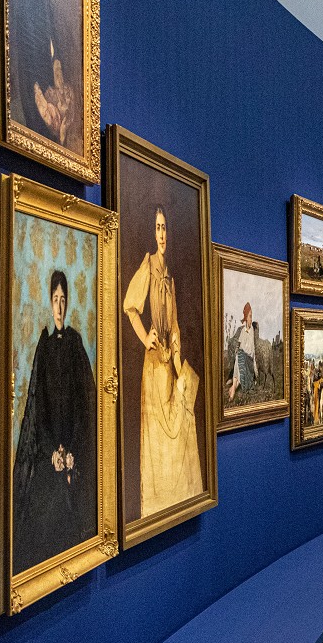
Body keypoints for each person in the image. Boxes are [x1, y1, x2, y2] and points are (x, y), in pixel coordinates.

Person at [12, 270, 98, 574]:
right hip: (49, 450)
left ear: (68, 302)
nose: (59, 306)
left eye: (63, 300)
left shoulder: (75, 343)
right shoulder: (44, 346)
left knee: (79, 509)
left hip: (73, 448)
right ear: (49, 303)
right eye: (55, 300)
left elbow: (83, 405)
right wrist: (52, 452)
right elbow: (38, 409)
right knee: (42, 513)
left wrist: (71, 451)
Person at [123, 206, 204, 518]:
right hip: (154, 368)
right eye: (157, 228)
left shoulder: (170, 275)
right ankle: (158, 506)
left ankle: (180, 499)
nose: (161, 235)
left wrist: (178, 358)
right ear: (150, 232)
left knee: (181, 428)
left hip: (170, 365)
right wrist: (147, 338)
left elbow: (177, 324)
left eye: (165, 228)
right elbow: (131, 307)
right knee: (159, 441)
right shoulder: (149, 267)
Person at [9, 0, 83, 150]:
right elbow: (28, 63)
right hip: (37, 100)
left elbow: (57, 52)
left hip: (54, 94)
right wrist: (42, 101)